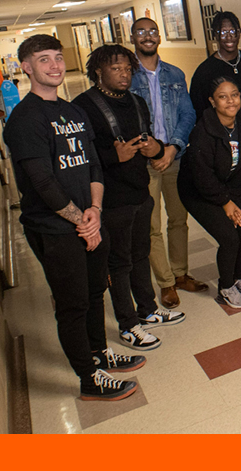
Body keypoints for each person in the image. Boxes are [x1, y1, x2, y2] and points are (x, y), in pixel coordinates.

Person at [5, 35, 142, 401]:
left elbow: (94, 164)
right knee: (73, 303)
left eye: (57, 58)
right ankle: (88, 378)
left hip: (91, 220)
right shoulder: (25, 119)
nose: (54, 65)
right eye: (44, 59)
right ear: (27, 67)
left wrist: (95, 211)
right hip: (54, 229)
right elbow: (42, 183)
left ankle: (99, 355)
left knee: (96, 293)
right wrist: (82, 221)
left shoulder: (73, 111)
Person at [73, 45, 185, 351]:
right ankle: (128, 325)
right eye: (116, 69)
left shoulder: (136, 102)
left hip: (140, 191)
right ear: (98, 71)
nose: (124, 75)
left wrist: (157, 149)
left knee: (140, 254)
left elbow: (149, 140)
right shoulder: (82, 106)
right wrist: (113, 155)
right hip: (110, 199)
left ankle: (147, 310)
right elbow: (80, 157)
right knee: (118, 263)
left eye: (127, 69)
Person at [129, 17, 204, 310]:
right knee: (151, 226)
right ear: (133, 37)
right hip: (141, 162)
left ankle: (181, 272)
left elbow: (188, 114)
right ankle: (166, 283)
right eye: (141, 32)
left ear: (159, 36)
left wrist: (172, 148)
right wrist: (149, 150)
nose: (147, 36)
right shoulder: (127, 76)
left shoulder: (175, 74)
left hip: (173, 158)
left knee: (178, 219)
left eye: (152, 31)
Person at [178, 77, 241, 309]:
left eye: (234, 95)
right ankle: (226, 286)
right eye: (223, 97)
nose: (231, 101)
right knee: (229, 237)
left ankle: (239, 277)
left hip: (230, 186)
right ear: (212, 101)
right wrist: (225, 202)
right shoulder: (202, 132)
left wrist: (234, 198)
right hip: (197, 190)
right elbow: (202, 176)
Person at [189, 11, 241, 119]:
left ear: (239, 33)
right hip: (218, 130)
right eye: (223, 32)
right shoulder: (205, 71)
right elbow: (198, 107)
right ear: (215, 35)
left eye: (232, 31)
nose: (229, 37)